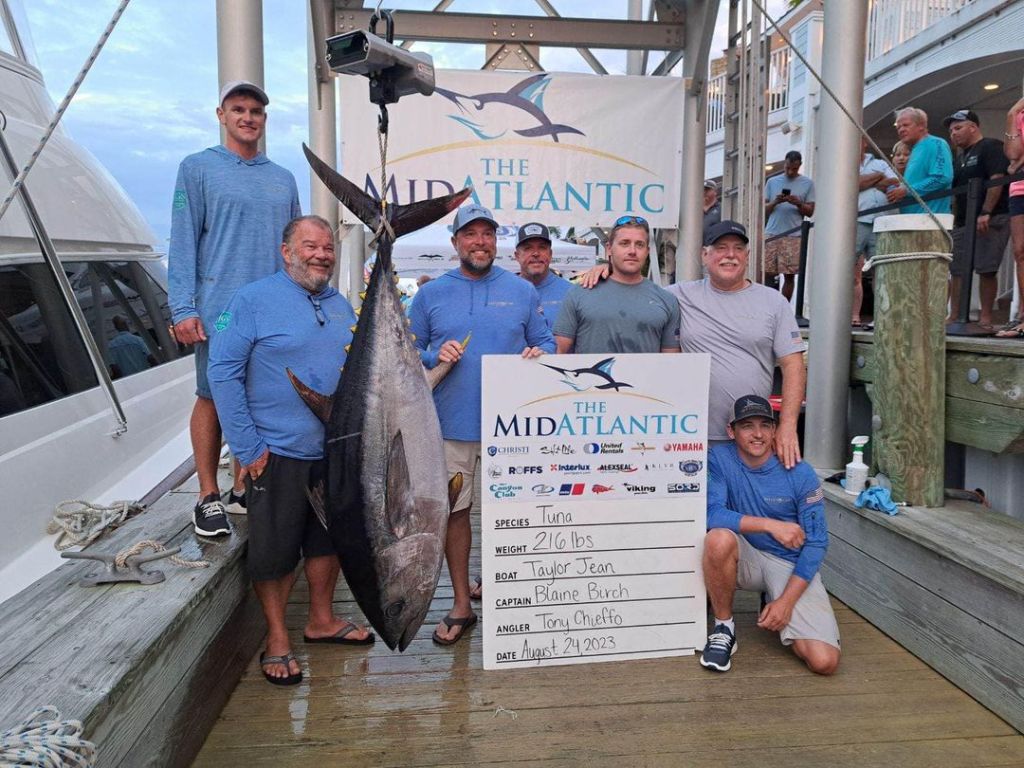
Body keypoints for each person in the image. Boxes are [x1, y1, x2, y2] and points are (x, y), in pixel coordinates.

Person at [208, 216, 374, 686]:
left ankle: (321, 620)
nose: (322, 254)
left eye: (328, 247)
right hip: (275, 451)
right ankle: (277, 637)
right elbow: (222, 373)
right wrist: (247, 447)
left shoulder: (340, 305)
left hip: (334, 452)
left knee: (328, 541)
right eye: (310, 246)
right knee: (275, 550)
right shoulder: (252, 300)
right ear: (286, 252)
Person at [409, 203, 554, 645]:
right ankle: (460, 603)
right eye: (470, 234)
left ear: (496, 242)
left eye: (487, 234)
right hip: (448, 428)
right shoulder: (429, 295)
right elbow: (406, 353)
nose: (480, 242)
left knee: (512, 513)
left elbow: (546, 342)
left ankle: (507, 591)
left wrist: (539, 354)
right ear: (455, 243)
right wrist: (433, 355)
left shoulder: (522, 291)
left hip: (511, 431)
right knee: (455, 514)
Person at [169, 81, 301, 537]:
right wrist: (182, 307)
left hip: (273, 308)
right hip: (219, 310)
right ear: (221, 115)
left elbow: (295, 249)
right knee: (211, 395)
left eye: (256, 111)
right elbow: (182, 239)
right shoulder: (196, 168)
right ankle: (208, 495)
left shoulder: (284, 178)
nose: (248, 117)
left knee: (260, 395)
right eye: (239, 109)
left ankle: (243, 487)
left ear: (265, 120)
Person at [699, 394, 840, 676]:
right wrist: (770, 525)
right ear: (731, 431)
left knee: (824, 662)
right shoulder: (719, 458)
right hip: (745, 556)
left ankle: (775, 601)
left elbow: (817, 542)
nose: (758, 434)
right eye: (747, 426)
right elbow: (711, 514)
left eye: (765, 425)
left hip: (788, 564)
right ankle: (724, 628)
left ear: (775, 430)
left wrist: (786, 603)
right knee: (717, 538)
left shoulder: (800, 471)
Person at [669, 221, 806, 468]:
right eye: (721, 248)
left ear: (747, 256)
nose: (730, 255)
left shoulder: (774, 301)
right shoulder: (679, 295)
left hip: (752, 439)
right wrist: (604, 271)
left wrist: (787, 426)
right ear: (704, 255)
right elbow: (635, 292)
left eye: (738, 248)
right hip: (691, 436)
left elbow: (793, 365)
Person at [554, 216, 680, 354]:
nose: (632, 251)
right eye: (624, 243)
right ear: (609, 249)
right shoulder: (579, 293)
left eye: (639, 245)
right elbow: (558, 352)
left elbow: (671, 360)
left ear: (647, 251)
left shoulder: (667, 300)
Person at [944, 109, 1010, 328]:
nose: (954, 133)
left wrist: (986, 211)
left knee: (986, 267)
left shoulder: (991, 146)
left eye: (958, 128)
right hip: (963, 221)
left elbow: (997, 178)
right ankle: (954, 316)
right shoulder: (960, 158)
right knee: (957, 268)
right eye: (951, 130)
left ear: (973, 127)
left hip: (991, 216)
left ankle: (986, 318)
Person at [853, 138, 898, 327]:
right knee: (848, 268)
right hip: (856, 221)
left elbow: (894, 181)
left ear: (864, 142)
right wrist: (878, 177)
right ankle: (846, 315)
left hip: (881, 220)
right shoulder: (844, 164)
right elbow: (853, 184)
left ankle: (880, 317)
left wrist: (867, 181)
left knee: (880, 270)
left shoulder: (879, 162)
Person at [764, 150, 815, 300]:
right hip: (772, 233)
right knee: (767, 272)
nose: (791, 172)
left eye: (794, 168)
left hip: (794, 234)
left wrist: (798, 203)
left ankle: (784, 306)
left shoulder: (807, 183)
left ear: (800, 166)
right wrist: (775, 201)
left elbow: (810, 212)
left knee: (789, 275)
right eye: (787, 168)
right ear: (784, 164)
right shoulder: (772, 182)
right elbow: (763, 210)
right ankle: (768, 303)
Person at [886, 107, 953, 215]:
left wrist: (906, 191)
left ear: (921, 125)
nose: (901, 130)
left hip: (930, 218)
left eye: (906, 125)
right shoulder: (915, 150)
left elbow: (942, 178)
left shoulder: (936, 143)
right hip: (913, 219)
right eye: (898, 127)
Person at [997, 96, 1024, 338]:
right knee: (1020, 251)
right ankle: (1023, 317)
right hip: (1019, 188)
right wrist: (1012, 113)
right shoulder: (1019, 115)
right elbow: (1012, 153)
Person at [514, 222, 572, 330]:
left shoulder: (571, 293)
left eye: (542, 247)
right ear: (517, 256)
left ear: (550, 254)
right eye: (528, 248)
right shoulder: (505, 292)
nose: (536, 253)